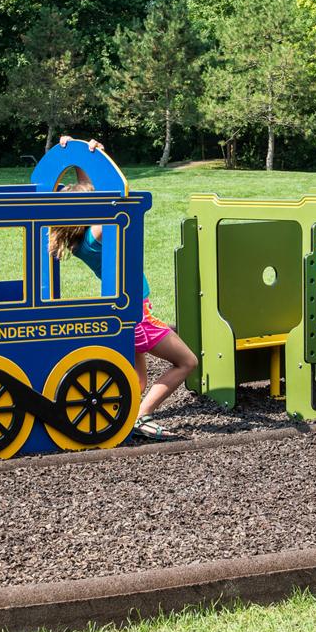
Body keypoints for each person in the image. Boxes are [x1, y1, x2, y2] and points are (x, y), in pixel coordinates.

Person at [49, 136, 200, 440]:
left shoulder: (79, 240)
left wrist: (80, 161)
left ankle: (123, 418)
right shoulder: (101, 230)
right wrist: (100, 157)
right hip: (137, 314)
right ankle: (141, 418)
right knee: (187, 361)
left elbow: (88, 195)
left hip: (120, 311)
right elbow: (117, 194)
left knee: (139, 382)